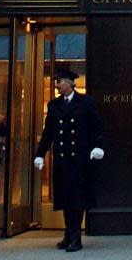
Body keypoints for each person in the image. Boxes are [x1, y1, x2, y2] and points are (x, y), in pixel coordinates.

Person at [33, 68, 104, 252]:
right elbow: (48, 132)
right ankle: (68, 234)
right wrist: (40, 153)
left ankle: (75, 237)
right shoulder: (54, 105)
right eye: (57, 82)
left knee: (77, 198)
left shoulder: (86, 102)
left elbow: (96, 127)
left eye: (61, 81)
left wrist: (98, 146)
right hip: (62, 159)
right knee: (65, 198)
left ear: (71, 83)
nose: (58, 85)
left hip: (79, 159)